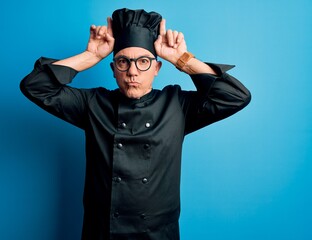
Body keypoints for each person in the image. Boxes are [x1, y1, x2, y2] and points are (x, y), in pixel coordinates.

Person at [20, 8, 251, 240]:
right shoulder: (93, 104)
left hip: (159, 235)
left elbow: (234, 96)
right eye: (123, 62)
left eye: (143, 62)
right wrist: (91, 56)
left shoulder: (177, 106)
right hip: (102, 233)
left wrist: (183, 60)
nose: (132, 72)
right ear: (113, 69)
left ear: (157, 68)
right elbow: (35, 86)